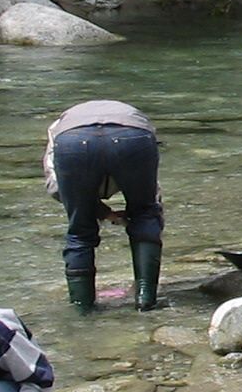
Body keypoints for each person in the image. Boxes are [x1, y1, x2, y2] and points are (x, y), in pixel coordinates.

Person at [44, 100, 162, 312]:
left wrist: (96, 212)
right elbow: (152, 191)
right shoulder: (139, 122)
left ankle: (82, 309)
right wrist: (113, 212)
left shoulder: (57, 131)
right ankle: (146, 299)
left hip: (73, 142)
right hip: (133, 135)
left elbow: (56, 187)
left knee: (80, 232)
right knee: (145, 214)